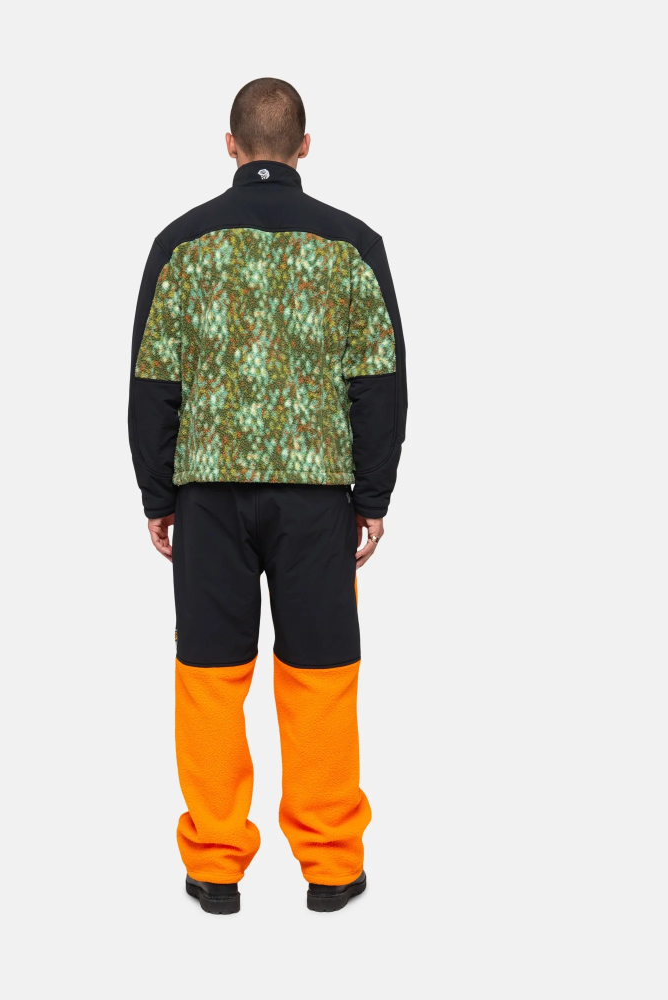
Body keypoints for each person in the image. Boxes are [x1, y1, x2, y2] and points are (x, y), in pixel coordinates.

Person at [128, 78, 407, 914]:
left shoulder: (182, 243)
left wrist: (157, 494)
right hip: (316, 501)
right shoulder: (352, 244)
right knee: (321, 674)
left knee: (209, 675)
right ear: (304, 147)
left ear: (230, 144)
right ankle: (332, 866)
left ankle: (215, 866)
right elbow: (380, 382)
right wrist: (372, 495)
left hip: (208, 497)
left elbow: (153, 382)